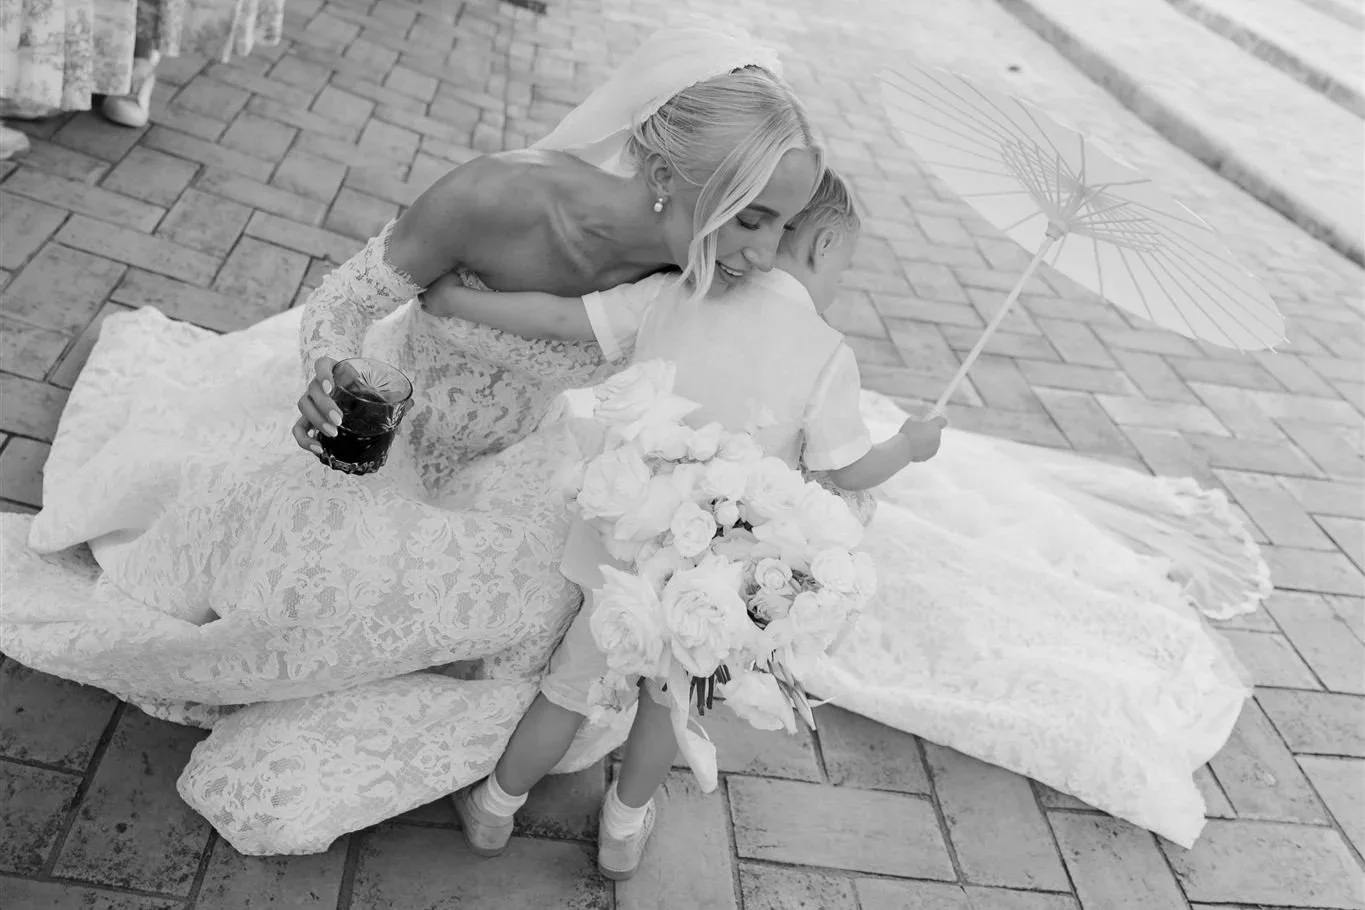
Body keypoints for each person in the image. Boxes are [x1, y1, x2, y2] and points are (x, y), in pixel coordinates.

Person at [0, 22, 824, 854]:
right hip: (391, 418)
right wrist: (327, 376)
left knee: (539, 621)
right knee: (296, 567)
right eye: (749, 220)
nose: (763, 256)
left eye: (780, 228)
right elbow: (342, 307)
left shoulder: (696, 281)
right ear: (659, 173)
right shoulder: (494, 196)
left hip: (516, 456)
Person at [440, 168, 948, 879]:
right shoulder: (827, 352)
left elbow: (565, 319)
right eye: (844, 266)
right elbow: (847, 470)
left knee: (568, 685)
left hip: (619, 538)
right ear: (826, 242)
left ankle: (496, 808)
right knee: (666, 703)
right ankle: (621, 828)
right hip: (710, 570)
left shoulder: (677, 288)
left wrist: (457, 297)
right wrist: (909, 445)